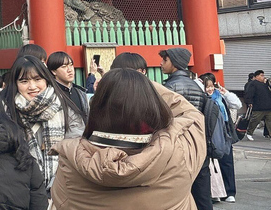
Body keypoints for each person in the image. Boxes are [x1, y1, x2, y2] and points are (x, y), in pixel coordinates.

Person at [51, 68, 207, 210]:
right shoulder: (180, 150)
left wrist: (116, 87)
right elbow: (191, 114)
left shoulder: (71, 161)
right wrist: (140, 85)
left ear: (97, 106)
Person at [3, 55, 85, 195]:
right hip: (19, 190)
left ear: (46, 80)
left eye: (37, 79)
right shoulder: (5, 113)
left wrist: (55, 185)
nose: (32, 87)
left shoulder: (65, 108)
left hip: (60, 189)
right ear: (15, 83)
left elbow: (75, 151)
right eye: (24, 81)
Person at [159, 48, 213, 210]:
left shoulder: (170, 87)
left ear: (174, 63)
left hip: (177, 146)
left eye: (165, 60)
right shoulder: (197, 87)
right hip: (199, 145)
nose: (161, 63)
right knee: (202, 195)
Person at [200, 73, 240, 204]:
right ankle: (217, 192)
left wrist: (226, 93)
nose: (210, 89)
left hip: (225, 135)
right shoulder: (203, 100)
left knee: (227, 163)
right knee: (212, 166)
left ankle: (230, 192)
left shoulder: (220, 98)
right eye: (207, 87)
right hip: (211, 137)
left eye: (211, 86)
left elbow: (237, 105)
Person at [47, 52, 89, 120]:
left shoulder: (80, 92)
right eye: (64, 67)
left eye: (71, 65)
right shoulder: (50, 94)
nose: (70, 70)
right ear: (53, 71)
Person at [243, 69, 271, 141]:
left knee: (269, 121)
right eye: (261, 75)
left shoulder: (266, 84)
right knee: (255, 120)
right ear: (257, 76)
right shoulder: (253, 84)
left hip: (268, 106)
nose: (263, 77)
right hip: (258, 106)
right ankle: (249, 133)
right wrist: (249, 102)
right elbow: (249, 94)